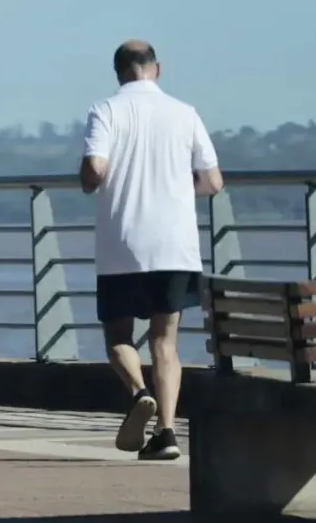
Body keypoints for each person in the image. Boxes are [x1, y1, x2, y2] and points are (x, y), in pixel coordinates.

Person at [78, 40, 224, 460]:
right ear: (157, 69)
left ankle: (141, 393)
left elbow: (96, 168)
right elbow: (213, 182)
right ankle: (166, 433)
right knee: (166, 342)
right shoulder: (185, 113)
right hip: (175, 247)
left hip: (122, 244)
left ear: (119, 71)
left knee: (118, 338)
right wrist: (177, 190)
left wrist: (88, 180)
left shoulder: (106, 110)